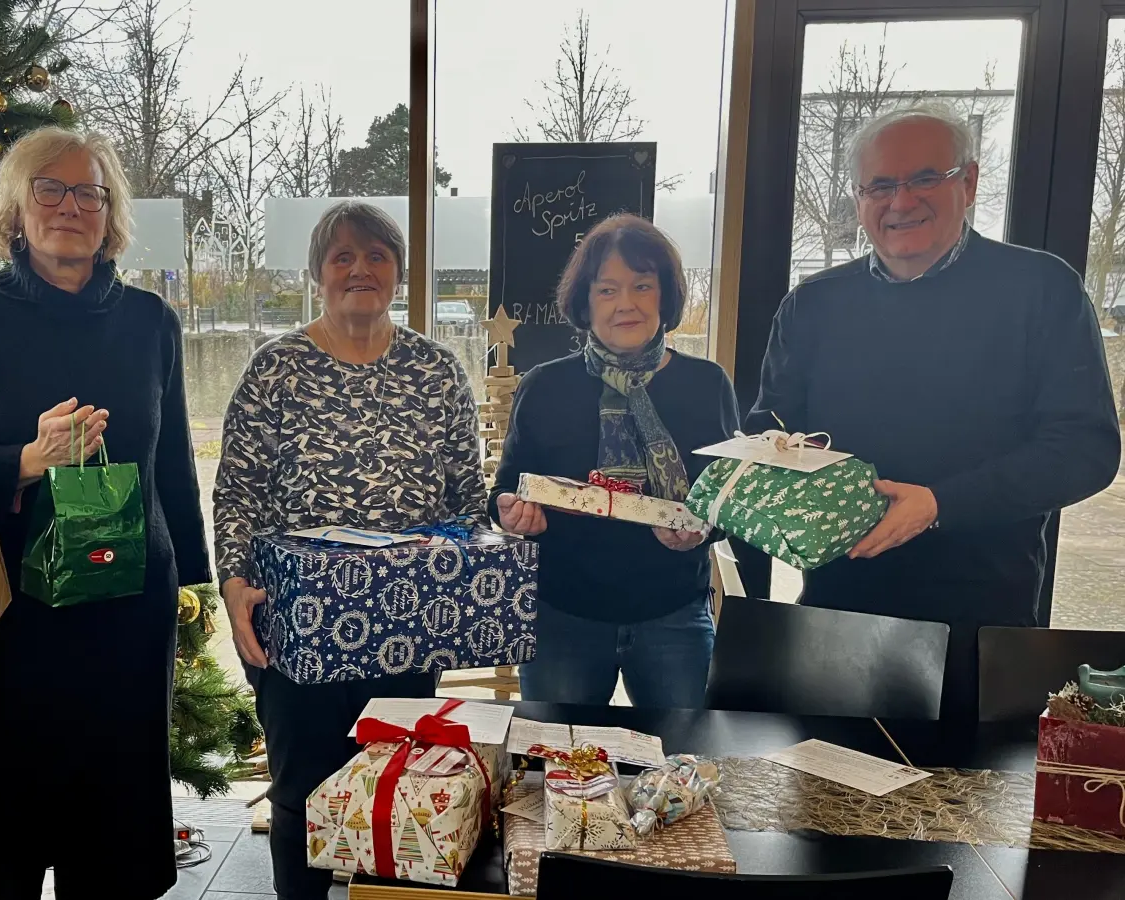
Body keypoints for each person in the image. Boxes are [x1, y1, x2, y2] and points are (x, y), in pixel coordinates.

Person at [0, 127, 210, 899]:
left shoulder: (151, 322)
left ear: (110, 215)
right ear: (15, 210)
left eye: (89, 192)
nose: (70, 206)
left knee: (114, 830)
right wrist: (25, 460)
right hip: (10, 616)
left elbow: (168, 461)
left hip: (127, 609)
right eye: (50, 189)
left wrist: (195, 586)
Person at [747, 107, 1121, 721]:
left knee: (967, 804)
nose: (902, 201)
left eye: (925, 178)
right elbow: (776, 427)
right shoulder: (812, 306)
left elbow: (1085, 451)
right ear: (860, 198)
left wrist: (940, 504)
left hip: (982, 619)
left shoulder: (1042, 292)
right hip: (841, 611)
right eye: (881, 186)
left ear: (968, 183)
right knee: (825, 801)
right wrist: (737, 476)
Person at [214, 200, 488, 900]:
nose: (360, 270)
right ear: (317, 273)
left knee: (402, 792)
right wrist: (233, 583)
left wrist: (468, 561)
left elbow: (465, 498)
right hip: (298, 627)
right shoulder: (276, 369)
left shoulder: (437, 370)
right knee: (302, 793)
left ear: (397, 271)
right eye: (343, 257)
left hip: (403, 625)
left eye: (376, 256)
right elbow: (237, 491)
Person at [490, 214, 738, 707]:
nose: (626, 303)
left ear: (664, 298)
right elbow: (503, 492)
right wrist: (510, 514)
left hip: (675, 616)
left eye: (642, 286)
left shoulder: (707, 385)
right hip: (564, 619)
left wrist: (705, 528)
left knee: (677, 770)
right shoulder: (544, 386)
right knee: (555, 767)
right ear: (585, 302)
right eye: (607, 290)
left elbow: (730, 503)